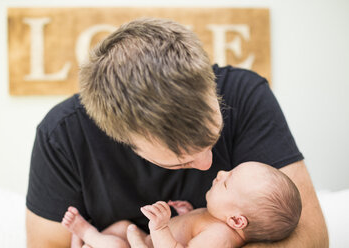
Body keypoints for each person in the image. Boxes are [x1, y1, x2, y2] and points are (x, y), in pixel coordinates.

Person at [26, 18, 328, 248]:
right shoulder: (62, 136)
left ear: (210, 82)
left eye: (214, 136)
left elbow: (309, 237)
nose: (209, 166)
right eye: (181, 161)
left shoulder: (246, 95)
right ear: (122, 138)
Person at [61, 162, 302, 248]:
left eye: (226, 183)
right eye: (229, 171)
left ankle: (85, 232)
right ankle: (86, 242)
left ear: (237, 221)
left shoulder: (221, 237)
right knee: (124, 226)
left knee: (116, 245)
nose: (220, 173)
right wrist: (187, 214)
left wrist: (161, 228)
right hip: (146, 240)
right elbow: (191, 232)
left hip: (149, 243)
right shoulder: (217, 219)